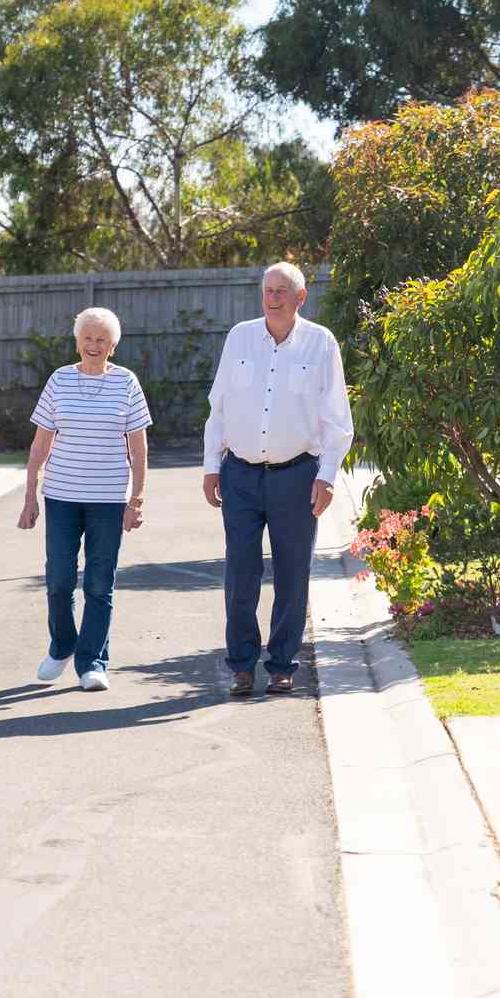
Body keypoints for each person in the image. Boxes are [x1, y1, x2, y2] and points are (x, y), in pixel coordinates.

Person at [203, 263, 353, 697]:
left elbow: (337, 419)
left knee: (293, 574)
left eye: (282, 291)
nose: (272, 297)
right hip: (241, 477)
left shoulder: (321, 343)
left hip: (298, 476)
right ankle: (241, 665)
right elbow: (220, 406)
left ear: (300, 297)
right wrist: (212, 465)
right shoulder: (240, 337)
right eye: (267, 290)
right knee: (241, 573)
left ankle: (283, 663)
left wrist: (326, 477)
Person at [17, 308, 151, 692]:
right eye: (88, 339)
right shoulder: (59, 380)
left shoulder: (127, 383)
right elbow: (40, 443)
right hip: (61, 497)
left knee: (98, 583)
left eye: (102, 340)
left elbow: (139, 450)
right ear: (77, 341)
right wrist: (30, 497)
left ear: (114, 345)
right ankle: (62, 646)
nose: (94, 346)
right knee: (59, 580)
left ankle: (92, 661)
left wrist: (136, 499)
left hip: (108, 500)